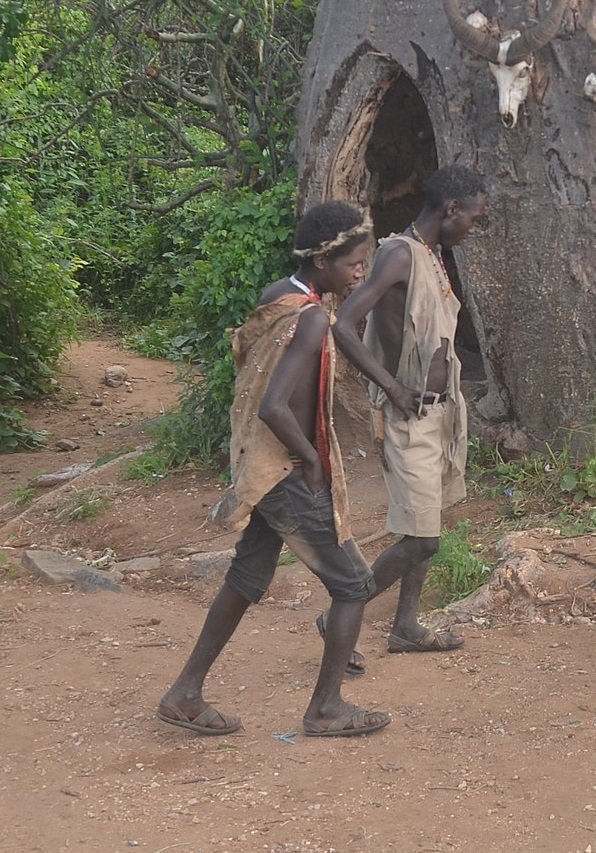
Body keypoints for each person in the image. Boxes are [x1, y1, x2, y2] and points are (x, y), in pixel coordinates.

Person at [158, 201, 390, 738]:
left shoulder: (278, 297)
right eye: (354, 263)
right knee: (354, 585)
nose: (360, 273)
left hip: (262, 466)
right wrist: (310, 459)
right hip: (286, 469)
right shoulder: (309, 320)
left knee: (246, 575)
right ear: (324, 259)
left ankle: (185, 693)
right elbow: (275, 405)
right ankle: (326, 708)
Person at [325, 165, 488, 656]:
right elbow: (343, 324)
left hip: (439, 413)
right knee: (422, 541)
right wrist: (392, 386)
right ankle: (338, 615)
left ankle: (406, 626)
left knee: (426, 524)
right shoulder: (400, 254)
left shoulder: (431, 255)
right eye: (474, 219)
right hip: (409, 415)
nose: (474, 229)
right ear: (451, 209)